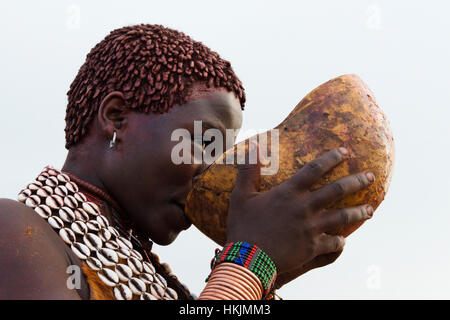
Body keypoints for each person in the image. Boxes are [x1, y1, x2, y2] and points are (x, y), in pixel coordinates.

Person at [0, 24, 375, 300]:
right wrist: (248, 258)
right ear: (115, 118)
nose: (215, 171)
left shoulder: (155, 276)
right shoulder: (14, 230)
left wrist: (264, 277)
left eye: (223, 153)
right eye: (202, 143)